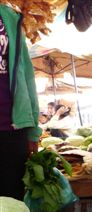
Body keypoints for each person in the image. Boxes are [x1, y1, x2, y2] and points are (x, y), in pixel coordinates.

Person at [0, 4, 41, 199]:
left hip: (11, 124)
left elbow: (27, 75)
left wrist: (33, 128)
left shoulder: (11, 17)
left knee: (12, 198)